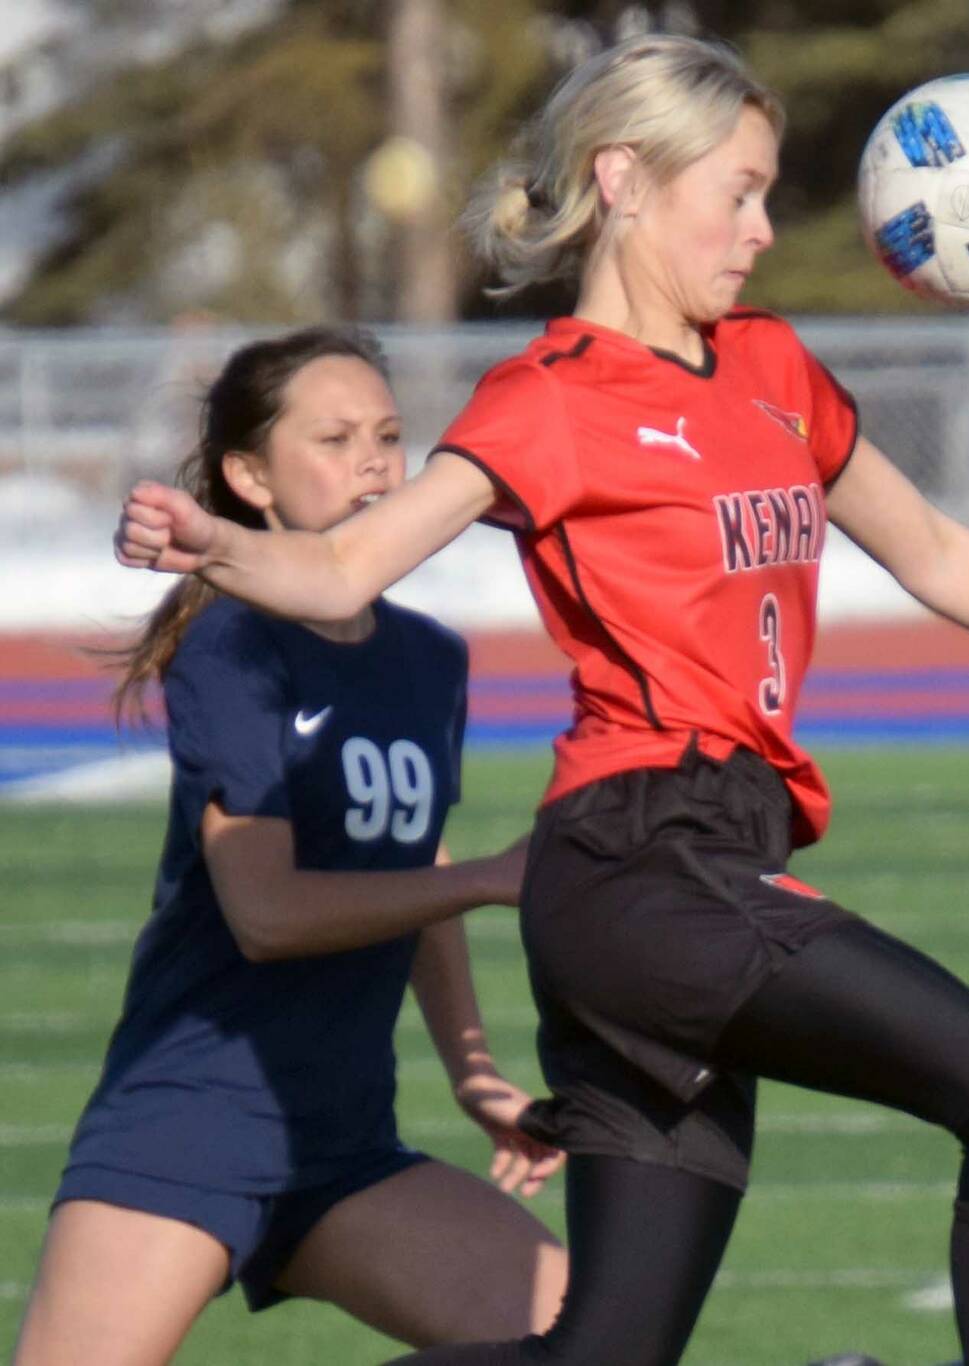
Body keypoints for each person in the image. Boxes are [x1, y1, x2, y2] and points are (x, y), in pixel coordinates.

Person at [112, 35, 969, 1366]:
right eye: (740, 192)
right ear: (625, 178)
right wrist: (215, 543)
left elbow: (933, 549)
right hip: (640, 863)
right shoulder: (550, 398)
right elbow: (348, 559)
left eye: (767, 196)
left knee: (610, 1353)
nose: (761, 230)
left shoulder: (768, 367)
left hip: (693, 867)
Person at [18, 328, 568, 1366]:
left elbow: (420, 874)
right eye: (333, 438)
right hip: (189, 1130)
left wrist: (473, 1073)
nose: (372, 462)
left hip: (341, 1147)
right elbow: (265, 916)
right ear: (248, 477)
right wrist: (497, 879)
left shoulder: (427, 658)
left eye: (389, 436)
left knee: (587, 1340)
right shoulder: (232, 643)